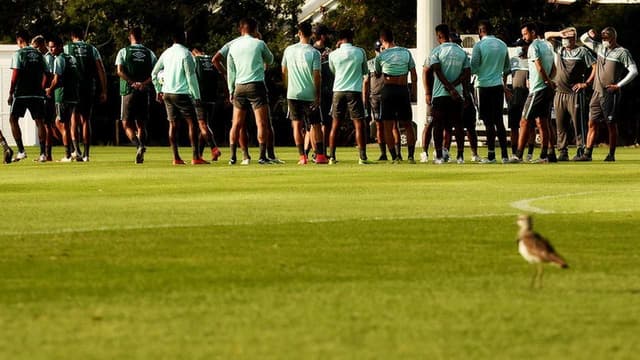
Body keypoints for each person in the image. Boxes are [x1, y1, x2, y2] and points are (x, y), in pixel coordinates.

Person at [575, 27, 638, 162]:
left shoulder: (622, 52)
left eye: (607, 38)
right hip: (596, 92)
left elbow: (633, 71)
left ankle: (611, 154)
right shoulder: (600, 48)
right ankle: (587, 153)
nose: (604, 40)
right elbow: (583, 39)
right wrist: (589, 33)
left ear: (613, 37)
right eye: (602, 38)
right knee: (592, 122)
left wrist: (618, 85)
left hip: (610, 93)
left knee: (610, 123)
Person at [151, 28, 207, 165]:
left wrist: (158, 90)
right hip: (181, 93)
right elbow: (191, 77)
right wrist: (197, 96)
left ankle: (176, 157)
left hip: (167, 93)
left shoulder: (166, 53)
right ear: (184, 38)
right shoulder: (186, 54)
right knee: (192, 123)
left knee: (173, 124)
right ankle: (195, 156)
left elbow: (154, 73)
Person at [225, 18, 275, 165]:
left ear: (241, 29)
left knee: (236, 124)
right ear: (255, 29)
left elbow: (230, 70)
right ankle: (262, 156)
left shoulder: (233, 46)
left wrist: (230, 90)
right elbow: (270, 60)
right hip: (256, 85)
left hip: (239, 86)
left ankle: (233, 156)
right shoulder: (259, 43)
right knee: (261, 123)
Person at [545, 27, 596, 161]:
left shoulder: (582, 51)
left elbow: (595, 67)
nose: (565, 40)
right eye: (564, 38)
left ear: (574, 39)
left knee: (578, 124)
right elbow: (546, 36)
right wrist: (558, 33)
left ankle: (581, 151)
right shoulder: (559, 49)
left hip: (575, 94)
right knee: (560, 125)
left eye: (568, 38)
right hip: (559, 93)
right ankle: (562, 151)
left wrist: (586, 83)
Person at [282, 22, 329, 165]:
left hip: (293, 93)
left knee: (296, 125)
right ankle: (320, 155)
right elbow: (317, 75)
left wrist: (287, 87)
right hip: (310, 93)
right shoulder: (314, 52)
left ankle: (302, 157)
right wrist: (318, 95)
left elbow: (284, 71)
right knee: (316, 124)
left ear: (299, 33)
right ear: (312, 34)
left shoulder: (288, 50)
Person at [424, 24, 470, 164]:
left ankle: (439, 156)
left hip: (440, 94)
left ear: (438, 36)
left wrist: (449, 87)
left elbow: (437, 71)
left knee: (438, 126)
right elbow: (467, 73)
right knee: (458, 125)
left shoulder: (436, 51)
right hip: (457, 94)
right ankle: (460, 156)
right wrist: (455, 87)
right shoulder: (461, 52)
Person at [511, 23, 556, 163]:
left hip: (537, 89)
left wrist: (547, 81)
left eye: (525, 33)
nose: (524, 37)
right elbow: (554, 68)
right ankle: (545, 155)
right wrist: (551, 81)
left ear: (533, 32)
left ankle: (518, 155)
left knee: (524, 121)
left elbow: (539, 67)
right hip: (546, 88)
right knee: (542, 122)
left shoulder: (533, 47)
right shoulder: (548, 45)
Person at [327, 29, 373, 165]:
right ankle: (362, 157)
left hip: (338, 90)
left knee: (335, 124)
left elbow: (332, 70)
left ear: (340, 39)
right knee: (359, 124)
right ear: (351, 38)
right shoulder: (360, 52)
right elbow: (365, 71)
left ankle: (332, 157)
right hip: (354, 90)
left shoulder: (333, 54)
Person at [64, 27, 108, 162]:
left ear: (72, 36)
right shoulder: (92, 49)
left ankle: (76, 151)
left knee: (73, 119)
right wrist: (104, 90)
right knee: (86, 120)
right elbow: (101, 69)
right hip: (89, 87)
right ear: (83, 35)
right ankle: (87, 154)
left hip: (73, 88)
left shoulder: (67, 48)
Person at [471, 20, 511, 164]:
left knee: (488, 122)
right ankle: (505, 155)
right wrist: (504, 84)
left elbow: (474, 68)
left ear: (480, 31)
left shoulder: (479, 45)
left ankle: (491, 155)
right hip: (498, 85)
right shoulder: (502, 44)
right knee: (499, 120)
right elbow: (507, 68)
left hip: (483, 86)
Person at [375, 29, 418, 163]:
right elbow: (414, 73)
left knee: (388, 125)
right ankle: (410, 156)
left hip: (388, 89)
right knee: (407, 123)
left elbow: (377, 72)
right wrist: (414, 91)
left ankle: (394, 157)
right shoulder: (406, 52)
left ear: (382, 40)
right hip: (403, 89)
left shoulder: (381, 56)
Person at [115, 27, 157, 164]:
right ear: (141, 38)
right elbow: (155, 73)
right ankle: (142, 150)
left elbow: (120, 71)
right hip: (143, 91)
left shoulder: (123, 51)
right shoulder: (149, 53)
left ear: (130, 37)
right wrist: (143, 83)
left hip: (128, 91)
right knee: (141, 123)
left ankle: (139, 145)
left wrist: (132, 82)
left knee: (126, 123)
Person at [8, 30, 48, 162]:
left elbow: (15, 74)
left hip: (21, 93)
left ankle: (21, 151)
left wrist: (10, 92)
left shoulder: (19, 53)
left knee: (13, 119)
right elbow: (48, 74)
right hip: (37, 94)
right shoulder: (39, 54)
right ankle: (43, 154)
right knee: (40, 122)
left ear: (19, 40)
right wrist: (42, 88)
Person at [46, 37, 80, 162]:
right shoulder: (72, 58)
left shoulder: (59, 59)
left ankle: (68, 155)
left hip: (62, 95)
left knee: (62, 124)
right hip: (73, 95)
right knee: (61, 122)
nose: (51, 49)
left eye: (53, 46)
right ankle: (75, 151)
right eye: (49, 46)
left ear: (60, 46)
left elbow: (56, 79)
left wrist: (49, 89)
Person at [192, 47, 222, 162]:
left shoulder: (195, 61)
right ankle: (199, 155)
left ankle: (214, 148)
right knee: (205, 125)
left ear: (194, 53)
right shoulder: (211, 60)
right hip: (212, 97)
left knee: (202, 124)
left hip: (199, 96)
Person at [508, 39, 535, 161]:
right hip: (514, 96)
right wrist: (505, 90)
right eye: (518, 45)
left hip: (528, 96)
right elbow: (504, 75)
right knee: (514, 126)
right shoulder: (513, 60)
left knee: (529, 125)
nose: (519, 48)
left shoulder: (531, 60)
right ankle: (515, 152)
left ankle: (529, 153)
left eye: (521, 45)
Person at [32, 35, 56, 161]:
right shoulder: (42, 57)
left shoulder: (48, 58)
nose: (34, 50)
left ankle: (48, 154)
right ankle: (46, 154)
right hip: (43, 93)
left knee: (47, 124)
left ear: (41, 45)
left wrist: (44, 89)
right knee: (44, 123)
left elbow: (50, 75)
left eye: (35, 47)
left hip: (47, 94)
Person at [311, 25, 334, 155]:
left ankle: (321, 151)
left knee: (324, 123)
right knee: (316, 124)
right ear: (323, 36)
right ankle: (317, 152)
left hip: (324, 91)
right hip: (319, 91)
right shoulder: (324, 52)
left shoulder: (329, 52)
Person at [367, 41, 392, 161]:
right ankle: (384, 153)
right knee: (380, 126)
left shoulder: (388, 61)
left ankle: (394, 152)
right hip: (376, 97)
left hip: (385, 95)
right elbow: (366, 82)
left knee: (391, 126)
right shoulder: (370, 63)